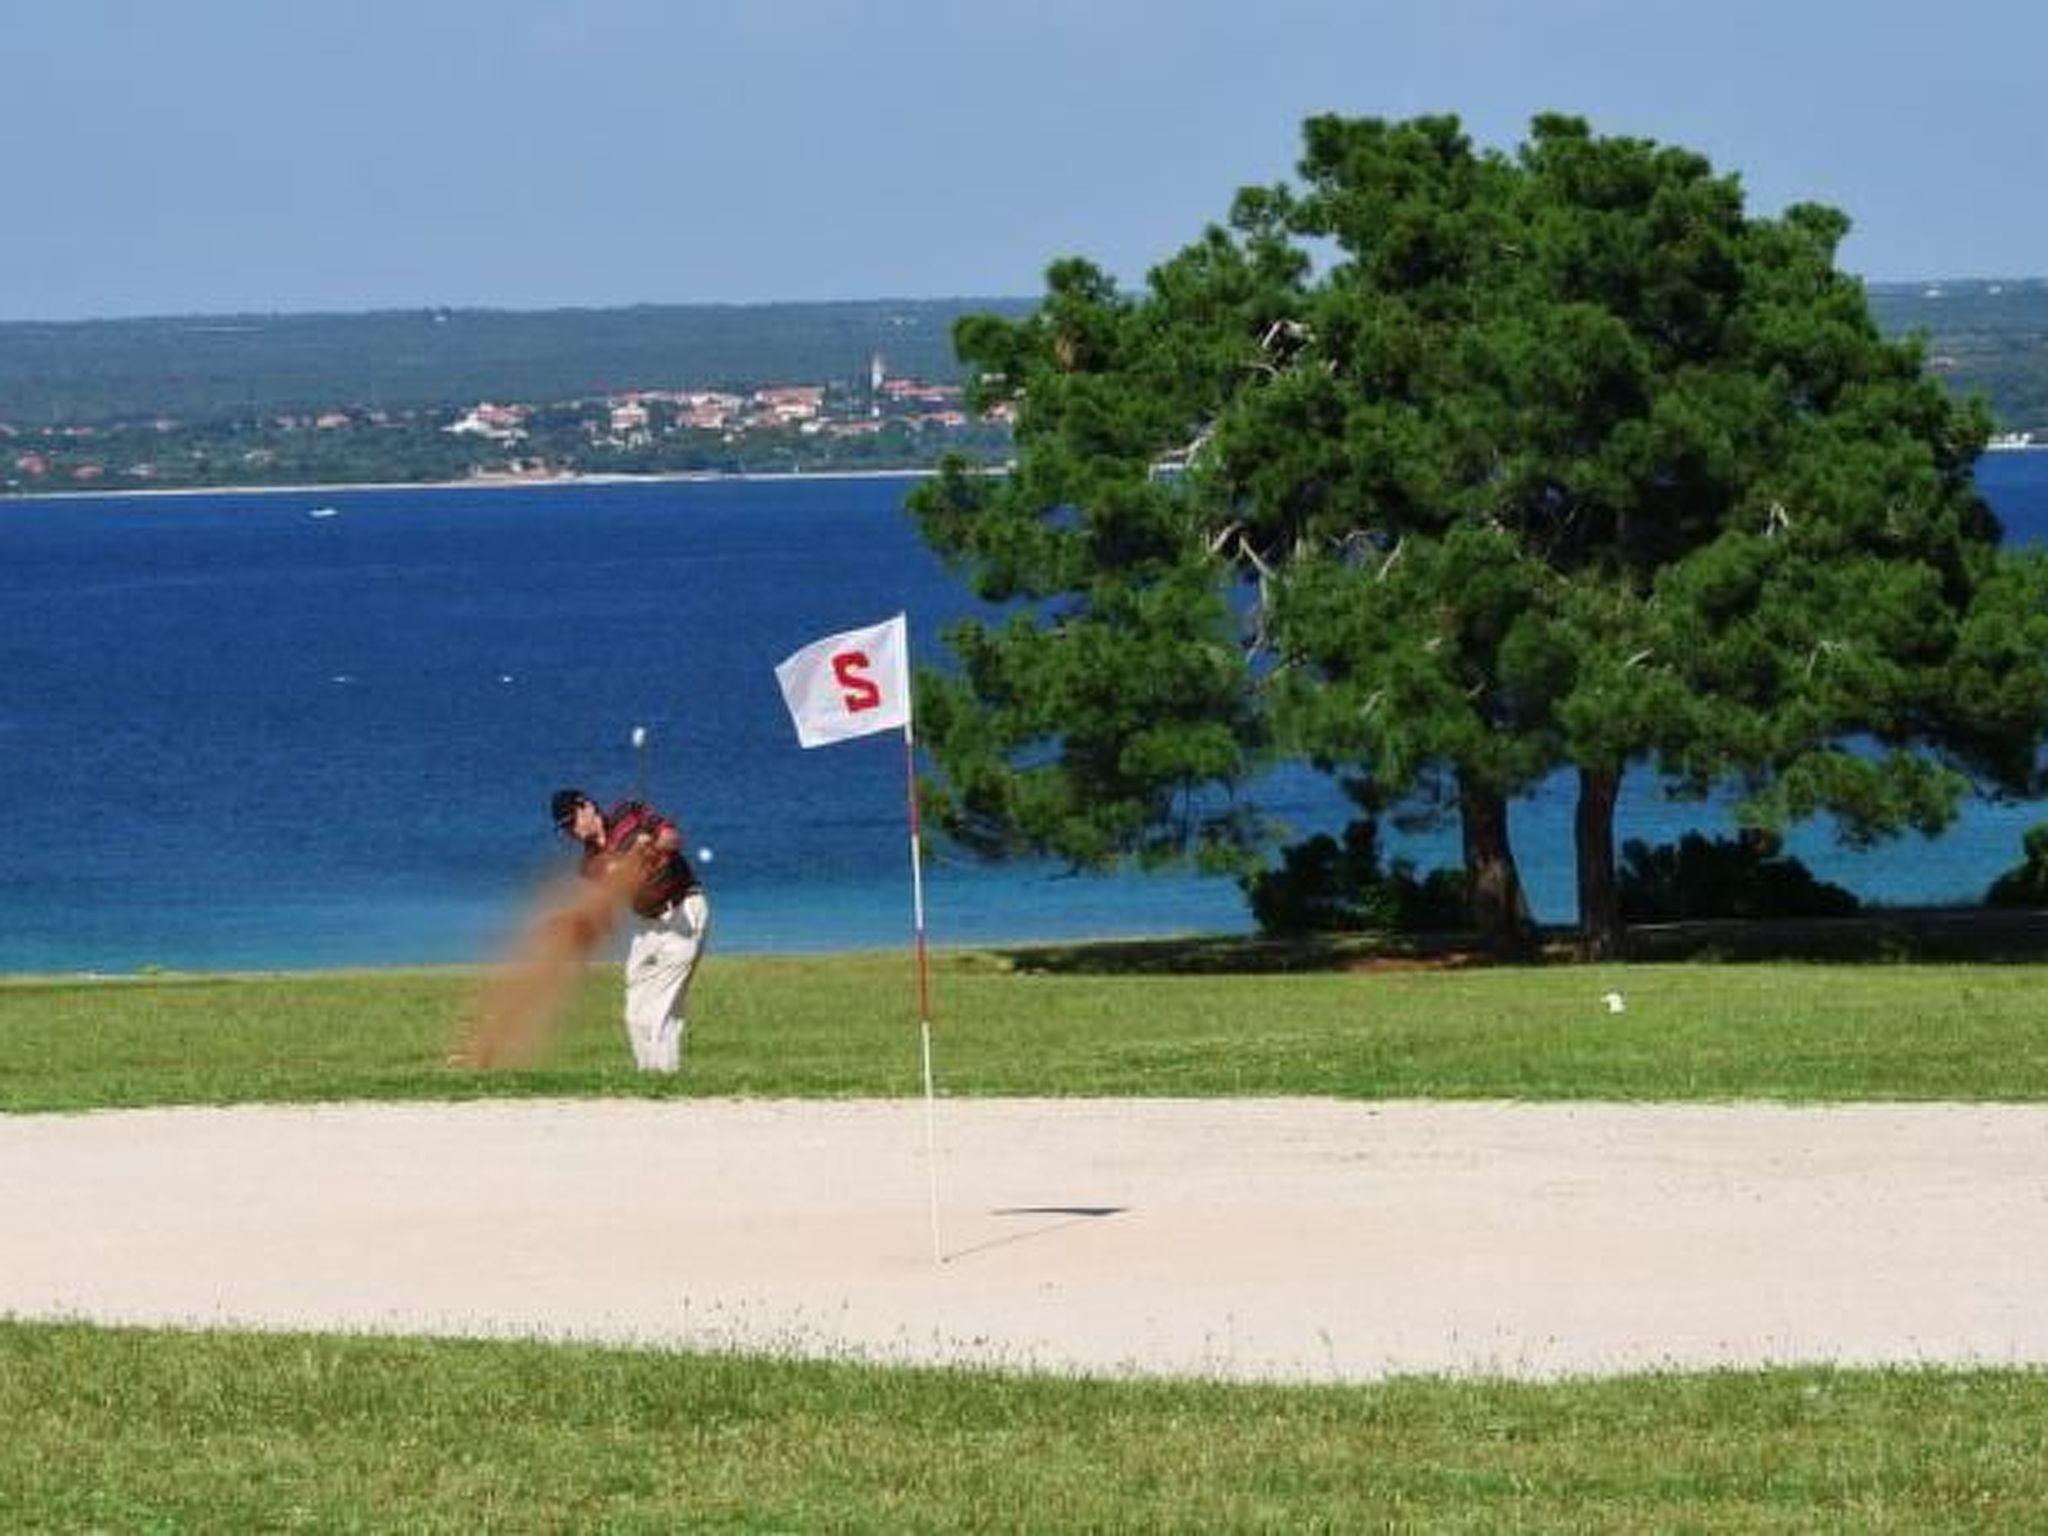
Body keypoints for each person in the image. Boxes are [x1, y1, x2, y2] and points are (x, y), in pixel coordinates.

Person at [550, 786, 710, 1073]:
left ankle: (664, 1077)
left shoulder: (629, 811)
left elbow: (673, 839)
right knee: (635, 1014)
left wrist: (656, 844)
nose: (571, 831)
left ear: (587, 806)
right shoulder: (589, 863)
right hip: (645, 925)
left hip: (682, 911)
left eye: (571, 821)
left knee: (662, 1009)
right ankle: (648, 1077)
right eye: (565, 828)